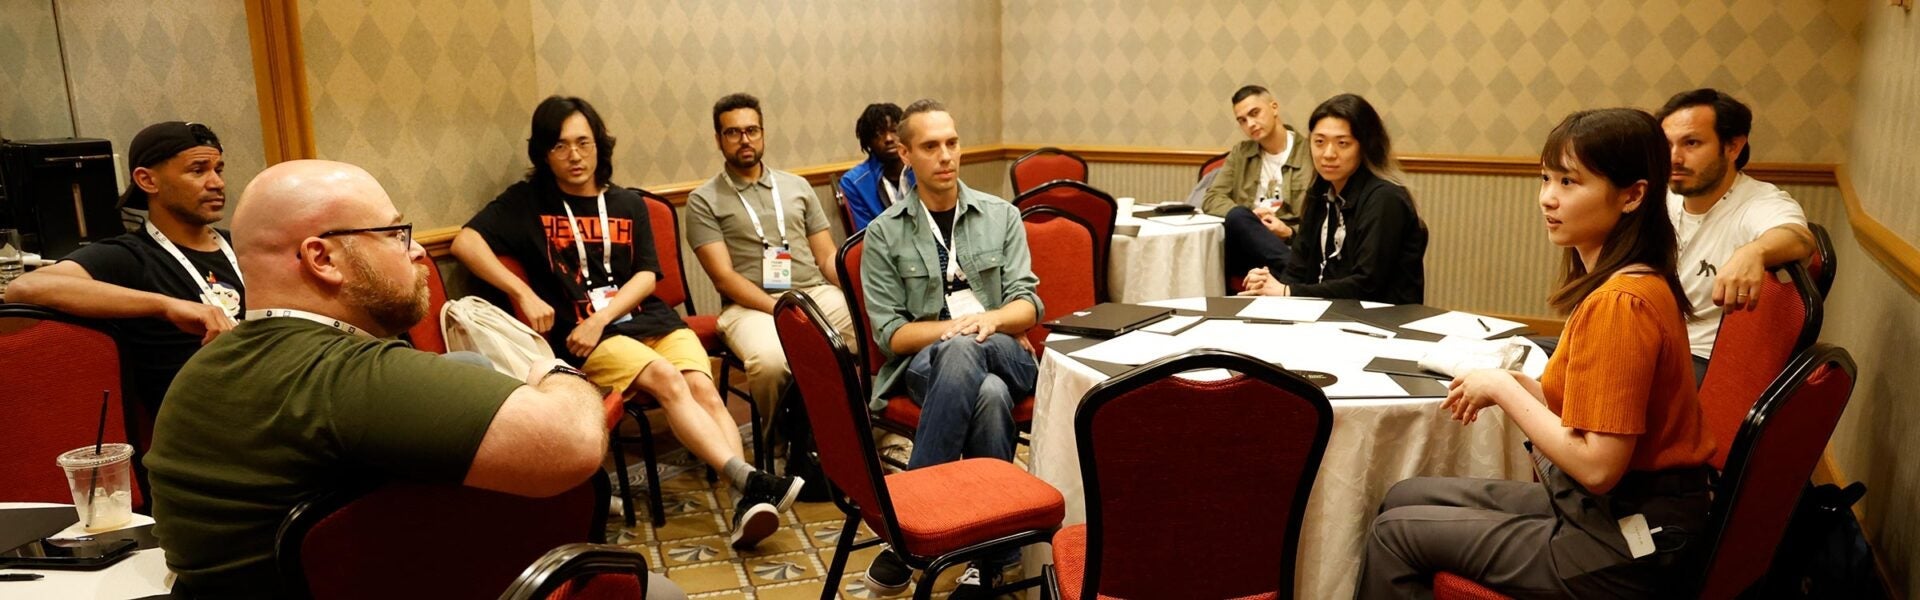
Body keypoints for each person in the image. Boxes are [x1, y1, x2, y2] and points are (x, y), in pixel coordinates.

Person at [144, 159, 687, 599]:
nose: (418, 249)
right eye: (394, 233)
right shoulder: (341, 375)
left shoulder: (204, 369)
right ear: (322, 258)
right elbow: (570, 445)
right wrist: (552, 368)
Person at [1355, 109, 1716, 598]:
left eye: (1570, 181)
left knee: (1394, 534)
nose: (1548, 197)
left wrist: (1504, 387)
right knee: (1405, 495)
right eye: (1546, 178)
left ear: (1632, 195)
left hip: (1629, 540)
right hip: (1622, 512)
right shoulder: (1633, 281)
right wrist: (1524, 387)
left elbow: (1599, 467)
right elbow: (1602, 415)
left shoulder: (1620, 303)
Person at [451, 96, 799, 550]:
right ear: (542, 153)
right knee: (667, 380)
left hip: (641, 318)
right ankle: (750, 482)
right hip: (583, 338)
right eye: (560, 146)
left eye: (583, 143)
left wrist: (603, 316)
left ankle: (743, 496)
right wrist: (524, 292)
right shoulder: (527, 203)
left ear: (600, 146)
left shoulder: (626, 203)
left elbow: (645, 274)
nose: (574, 155)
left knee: (703, 387)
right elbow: (465, 243)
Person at [856, 99, 1042, 598]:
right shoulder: (883, 234)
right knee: (989, 395)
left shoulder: (1000, 215)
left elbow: (1028, 304)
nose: (946, 156)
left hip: (1006, 348)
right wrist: (957, 329)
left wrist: (993, 319)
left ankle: (908, 531)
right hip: (925, 367)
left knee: (973, 358)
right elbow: (891, 336)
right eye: (930, 146)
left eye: (952, 143)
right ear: (905, 154)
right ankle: (992, 558)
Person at [4, 121, 242, 426]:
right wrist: (166, 305)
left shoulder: (242, 244)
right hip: (203, 424)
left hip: (267, 397)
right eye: (198, 170)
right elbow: (24, 288)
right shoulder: (130, 256)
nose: (216, 183)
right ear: (147, 180)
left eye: (218, 170)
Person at [686, 92, 856, 419]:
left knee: (873, 331)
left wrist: (857, 293)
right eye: (732, 133)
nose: (744, 139)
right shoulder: (703, 200)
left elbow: (826, 257)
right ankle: (779, 444)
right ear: (718, 140)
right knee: (770, 363)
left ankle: (859, 427)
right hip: (750, 307)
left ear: (763, 134)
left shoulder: (797, 187)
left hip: (816, 293)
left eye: (752, 130)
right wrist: (782, 308)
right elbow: (723, 277)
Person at [1657, 88, 1813, 381]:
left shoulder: (1758, 202)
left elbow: (1800, 238)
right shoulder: (1662, 196)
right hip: (1648, 340)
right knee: (1546, 363)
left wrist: (1753, 251)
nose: (1674, 158)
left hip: (1701, 360)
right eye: (1667, 145)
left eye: (1691, 143)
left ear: (1733, 147)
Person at [1241, 94, 1427, 304]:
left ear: (1365, 146)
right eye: (1319, 142)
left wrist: (1287, 292)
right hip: (1326, 315)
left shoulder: (1385, 198)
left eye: (1343, 143)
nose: (1328, 153)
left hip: (1380, 322)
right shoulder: (1320, 192)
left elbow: (1367, 285)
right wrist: (1272, 291)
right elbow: (1298, 268)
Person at [1204, 85, 1311, 280]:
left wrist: (1288, 232)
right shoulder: (1241, 153)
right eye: (1242, 120)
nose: (1250, 124)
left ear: (1274, 107)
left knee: (1278, 267)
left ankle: (1291, 276)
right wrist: (1251, 218)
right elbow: (1212, 198)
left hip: (1291, 243)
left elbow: (1321, 215)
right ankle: (1300, 275)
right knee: (1237, 216)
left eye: (1255, 113)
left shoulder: (1310, 153)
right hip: (1247, 244)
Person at [838, 102, 915, 231]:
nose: (889, 138)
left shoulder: (921, 167)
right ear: (868, 141)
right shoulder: (854, 183)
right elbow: (865, 236)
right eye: (879, 133)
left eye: (894, 130)